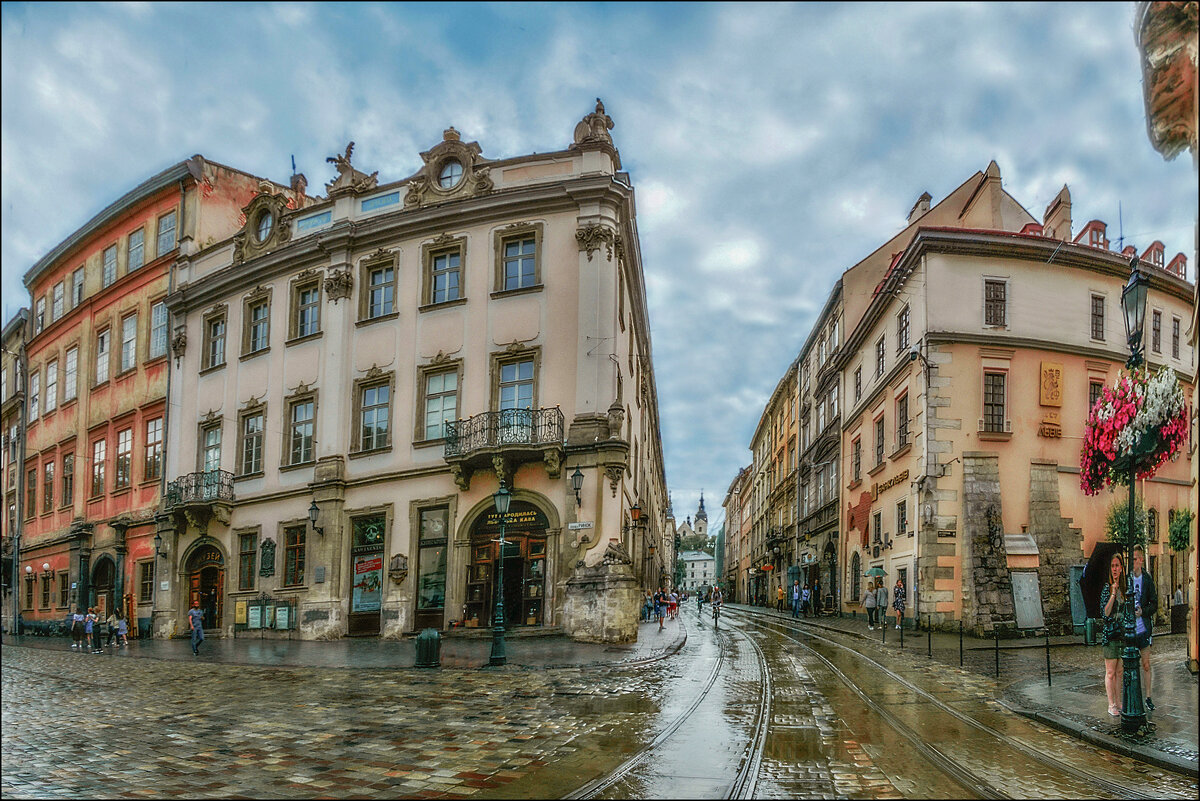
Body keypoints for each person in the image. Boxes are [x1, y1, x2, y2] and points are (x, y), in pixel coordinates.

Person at [1130, 545, 1158, 711]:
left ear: (1141, 560)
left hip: (1143, 628)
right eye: (1131, 559)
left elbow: (1154, 603)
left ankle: (1148, 697)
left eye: (1134, 559)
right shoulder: (1128, 579)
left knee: (1146, 664)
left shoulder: (1147, 579)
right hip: (1130, 629)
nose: (1132, 562)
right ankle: (1133, 695)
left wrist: (1143, 612)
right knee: (1129, 664)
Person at [1100, 552, 1127, 717]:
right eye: (1112, 566)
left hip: (1121, 636)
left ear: (1122, 568)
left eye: (1117, 566)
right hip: (1110, 635)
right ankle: (1111, 705)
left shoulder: (1125, 588)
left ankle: (1119, 702)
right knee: (1110, 672)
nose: (1115, 569)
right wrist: (1112, 593)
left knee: (1119, 672)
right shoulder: (1106, 588)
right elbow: (1105, 613)